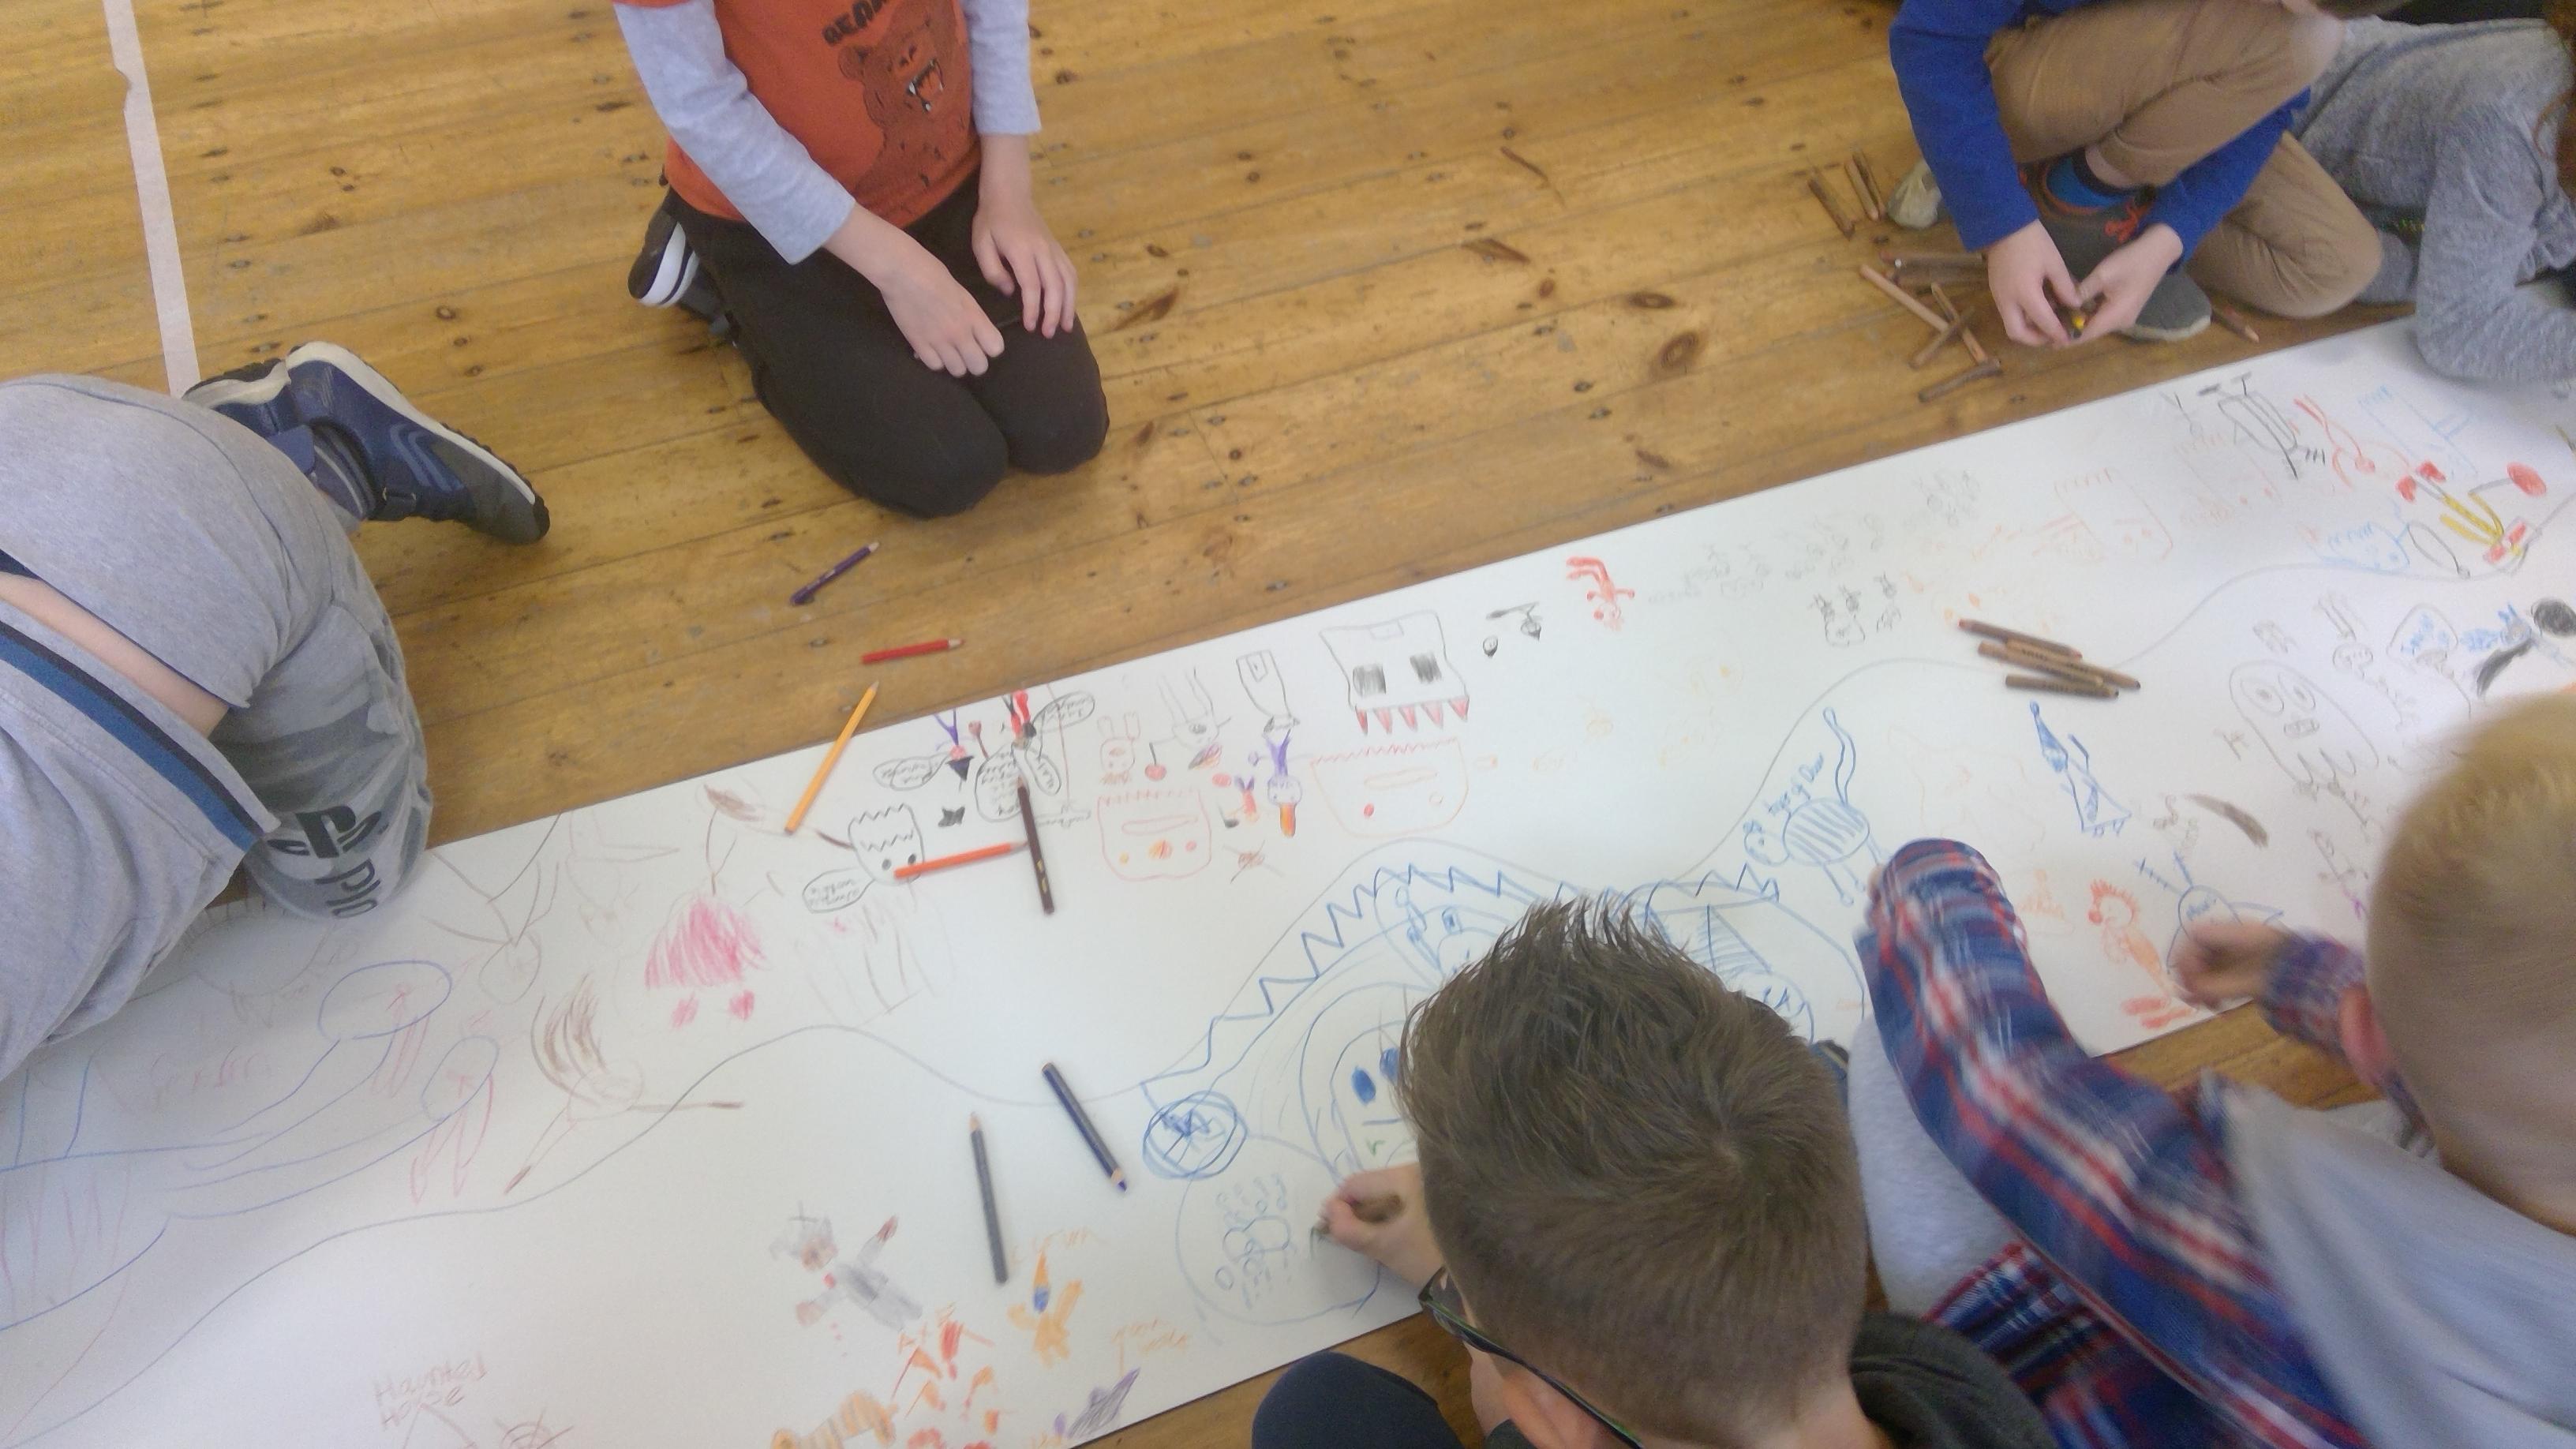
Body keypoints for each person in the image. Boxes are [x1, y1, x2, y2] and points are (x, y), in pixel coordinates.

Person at [1849, 695, 2576, 1449]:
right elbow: (2497, 1058)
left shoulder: (2267, 1264)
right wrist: (2298, 974)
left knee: (1882, 1062)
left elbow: (2004, 1097)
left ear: (2369, 1031)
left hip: (2067, 1388)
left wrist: (1928, 891)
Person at [1255, 901, 2054, 1449]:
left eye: (1463, 1311)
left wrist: (1469, 1302)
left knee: (1314, 1408)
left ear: (1553, 1419)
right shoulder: (1954, 1388)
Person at [0, 344, 549, 1084]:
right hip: (37, 435)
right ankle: (222, 457)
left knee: (354, 889)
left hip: (186, 525)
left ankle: (322, 457)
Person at [612, 0, 1110, 519]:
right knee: (946, 467)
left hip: (938, 168)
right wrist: (897, 269)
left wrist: (1009, 190)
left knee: (1065, 426)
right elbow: (700, 105)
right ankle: (722, 286)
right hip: (773, 220)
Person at [1885, 0, 2397, 346]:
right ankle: (2057, 196)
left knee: (2338, 265)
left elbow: (2266, 104)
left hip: (2163, 110)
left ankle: (2077, 203)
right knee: (2303, 39)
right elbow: (1930, 39)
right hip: (2020, 80)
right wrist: (2003, 227)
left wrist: (2170, 239)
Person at [2290, 13, 2576, 384]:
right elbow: (2457, 328)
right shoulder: (2514, 123)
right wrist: (2431, 275)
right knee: (2344, 267)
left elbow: (2546, 245)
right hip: (2275, 127)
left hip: (2378, 205)